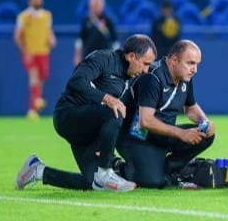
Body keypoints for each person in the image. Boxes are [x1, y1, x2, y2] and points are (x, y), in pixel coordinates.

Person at [15, 34, 157, 192]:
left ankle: (38, 170)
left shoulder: (133, 76)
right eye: (145, 64)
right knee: (115, 111)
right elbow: (76, 81)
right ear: (131, 56)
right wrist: (108, 99)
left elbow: (132, 114)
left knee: (93, 183)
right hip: (68, 115)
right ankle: (105, 171)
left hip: (91, 128)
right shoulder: (103, 59)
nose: (146, 70)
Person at [116, 40, 215, 188]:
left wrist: (205, 122)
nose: (195, 70)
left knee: (206, 135)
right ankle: (118, 168)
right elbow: (146, 121)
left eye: (197, 64)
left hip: (163, 135)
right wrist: (181, 133)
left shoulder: (185, 78)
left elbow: (190, 108)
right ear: (174, 60)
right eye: (191, 63)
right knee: (153, 182)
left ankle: (169, 171)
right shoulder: (153, 77)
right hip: (136, 137)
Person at [14, 0, 56, 119]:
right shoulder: (23, 16)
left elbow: (49, 32)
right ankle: (33, 108)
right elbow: (17, 36)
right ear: (30, 0)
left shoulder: (47, 15)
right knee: (34, 77)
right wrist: (24, 51)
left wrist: (52, 38)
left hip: (43, 52)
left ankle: (35, 106)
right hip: (30, 52)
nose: (39, 0)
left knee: (41, 80)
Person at [73, 0, 119, 66]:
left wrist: (117, 58)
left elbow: (115, 42)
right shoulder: (86, 20)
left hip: (105, 59)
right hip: (88, 58)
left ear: (103, 5)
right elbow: (80, 40)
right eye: (93, 5)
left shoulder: (108, 20)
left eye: (97, 5)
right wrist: (77, 55)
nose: (95, 7)